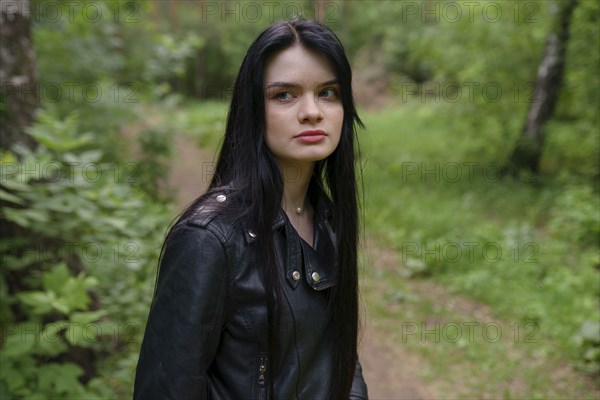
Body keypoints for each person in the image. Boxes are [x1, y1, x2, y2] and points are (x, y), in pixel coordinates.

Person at [134, 17, 368, 400]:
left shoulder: (327, 220)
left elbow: (340, 358)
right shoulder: (209, 240)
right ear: (253, 110)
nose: (312, 111)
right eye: (284, 95)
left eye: (328, 93)